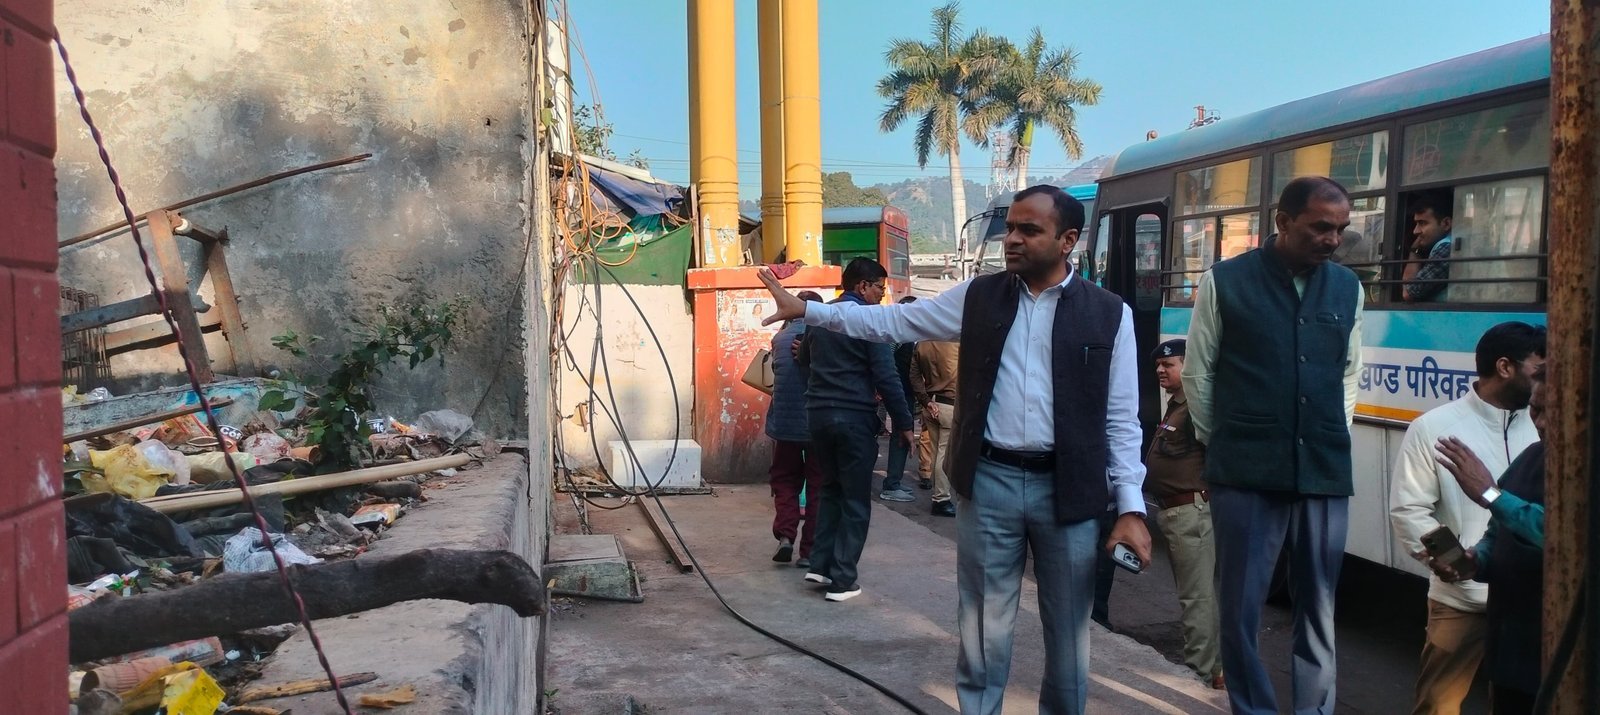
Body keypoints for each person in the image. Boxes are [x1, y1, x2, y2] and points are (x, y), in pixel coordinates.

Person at [759, 184, 1150, 714]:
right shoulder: (979, 297)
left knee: (1068, 630)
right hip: (989, 482)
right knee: (984, 627)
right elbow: (894, 322)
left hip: (1071, 488)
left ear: (1068, 241)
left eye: (1029, 230)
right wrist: (811, 312)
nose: (1012, 239)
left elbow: (1121, 420)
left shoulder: (1110, 314)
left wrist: (1130, 507)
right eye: (1010, 228)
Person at [1182, 175, 1363, 715]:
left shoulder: (1348, 287)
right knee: (1241, 606)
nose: (1333, 240)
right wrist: (1227, 441)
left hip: (1323, 469)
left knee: (1320, 606)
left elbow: (1349, 373)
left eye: (1341, 229)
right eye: (1321, 227)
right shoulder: (1225, 281)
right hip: (1245, 469)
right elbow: (1198, 373)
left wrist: (1332, 431)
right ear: (1282, 222)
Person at [1389, 322, 1545, 715]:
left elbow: (1544, 523)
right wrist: (1454, 562)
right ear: (1505, 367)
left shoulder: (1544, 431)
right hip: (1462, 599)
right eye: (1538, 369)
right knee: (1438, 705)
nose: (1545, 381)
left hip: (1528, 607)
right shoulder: (1434, 427)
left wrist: (1491, 494)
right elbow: (1409, 509)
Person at [1431, 359, 1551, 714]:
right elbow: (1497, 533)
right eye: (1535, 410)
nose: (1540, 423)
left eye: (1552, 412)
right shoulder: (1532, 456)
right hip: (1511, 651)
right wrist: (1474, 561)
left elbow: (1561, 536)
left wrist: (1490, 494)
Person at [795, 258, 914, 602]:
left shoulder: (822, 316)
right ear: (862, 286)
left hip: (819, 417)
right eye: (879, 288)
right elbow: (887, 376)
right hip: (854, 419)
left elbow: (803, 360)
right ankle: (843, 580)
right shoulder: (869, 320)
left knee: (830, 488)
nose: (881, 295)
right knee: (856, 499)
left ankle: (820, 564)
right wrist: (904, 422)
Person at [1144, 338, 1224, 689]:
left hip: (1191, 512)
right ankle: (1213, 670)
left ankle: (1201, 674)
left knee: (1197, 598)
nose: (1161, 371)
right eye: (1158, 366)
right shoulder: (1177, 405)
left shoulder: (1197, 406)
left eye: (1169, 365)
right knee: (1196, 596)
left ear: (1188, 367)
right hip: (1176, 514)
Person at [765, 290, 826, 569]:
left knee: (785, 481)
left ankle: (786, 536)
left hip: (784, 425)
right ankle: (809, 551)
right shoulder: (826, 336)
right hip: (817, 425)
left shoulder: (780, 338)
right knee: (818, 486)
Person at [909, 338, 959, 516]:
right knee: (944, 455)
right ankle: (941, 499)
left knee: (937, 453)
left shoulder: (922, 343)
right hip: (951, 404)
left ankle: (939, 496)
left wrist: (925, 400)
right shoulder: (956, 342)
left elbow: (914, 376)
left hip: (931, 404)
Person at [881, 296, 921, 503]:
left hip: (902, 392)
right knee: (901, 435)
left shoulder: (906, 334)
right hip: (898, 393)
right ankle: (891, 485)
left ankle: (894, 481)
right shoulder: (898, 333)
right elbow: (886, 361)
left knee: (902, 436)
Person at [1402, 192, 1454, 303]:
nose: (1415, 231)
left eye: (1422, 223)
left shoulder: (1447, 248)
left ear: (1446, 223)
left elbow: (1408, 293)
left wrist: (1414, 251)